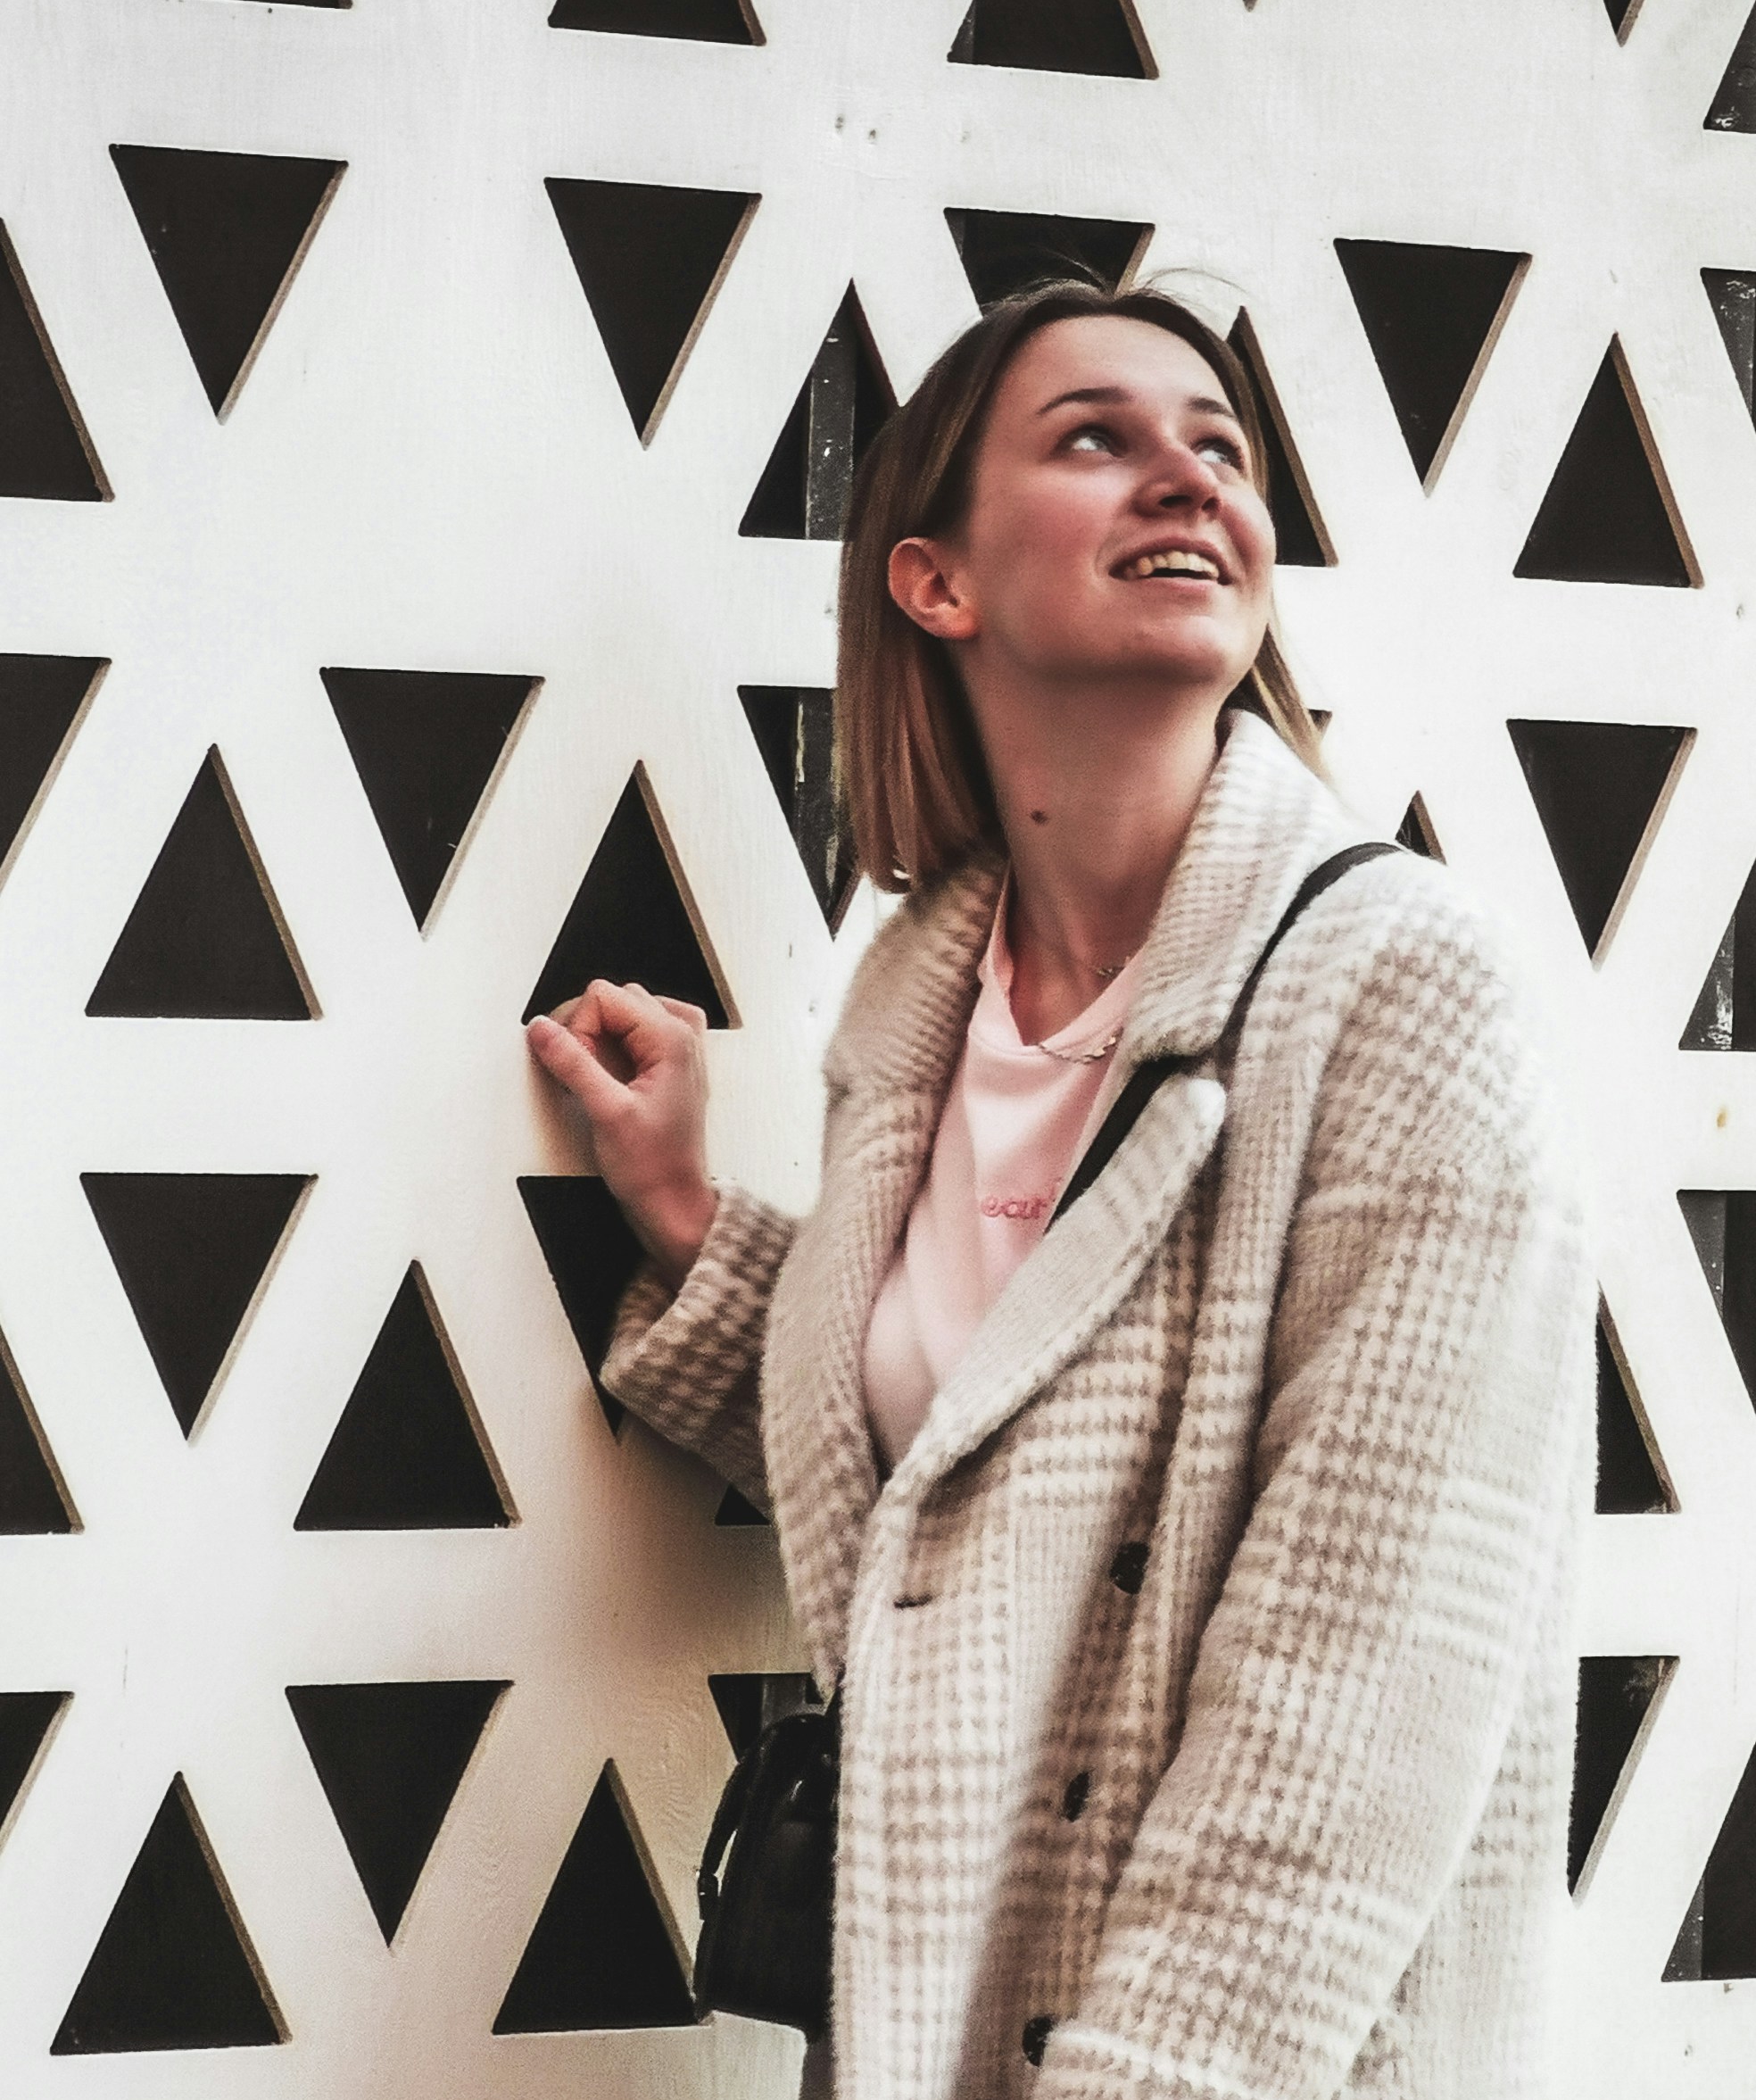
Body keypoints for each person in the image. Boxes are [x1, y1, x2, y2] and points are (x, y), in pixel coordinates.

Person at [526, 278, 1594, 2099]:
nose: (1189, 477)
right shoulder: (917, 1008)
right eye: (1097, 436)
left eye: (1219, 446)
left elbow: (1356, 1703)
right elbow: (971, 1494)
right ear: (933, 578)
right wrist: (697, 1223)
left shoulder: (1401, 993)